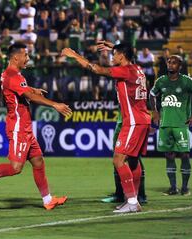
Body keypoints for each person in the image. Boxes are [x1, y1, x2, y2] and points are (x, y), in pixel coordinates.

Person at [0, 42, 72, 210]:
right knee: (16, 167)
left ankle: (47, 200)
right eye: (26, 55)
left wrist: (31, 88)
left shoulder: (9, 74)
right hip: (18, 127)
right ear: (16, 57)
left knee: (38, 161)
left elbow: (19, 89)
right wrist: (55, 105)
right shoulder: (13, 75)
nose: (28, 58)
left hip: (25, 126)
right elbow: (29, 96)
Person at [62, 41, 151, 213]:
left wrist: (74, 56)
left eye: (114, 55)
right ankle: (132, 200)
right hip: (142, 119)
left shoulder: (125, 71)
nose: (112, 57)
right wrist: (116, 48)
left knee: (118, 160)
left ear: (122, 56)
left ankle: (132, 202)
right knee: (132, 160)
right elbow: (127, 56)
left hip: (133, 121)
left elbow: (96, 69)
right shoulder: (137, 69)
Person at [149, 55, 192, 196]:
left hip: (181, 124)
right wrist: (155, 112)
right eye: (169, 62)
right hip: (164, 125)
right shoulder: (161, 81)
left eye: (174, 63)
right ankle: (173, 187)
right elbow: (151, 95)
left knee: (185, 155)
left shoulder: (186, 81)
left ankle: (185, 187)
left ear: (179, 66)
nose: (170, 64)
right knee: (169, 155)